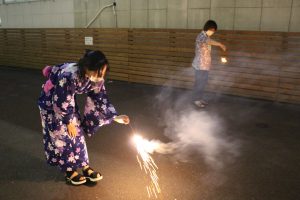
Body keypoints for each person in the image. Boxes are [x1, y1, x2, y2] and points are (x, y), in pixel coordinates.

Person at [38, 50, 130, 185]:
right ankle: (69, 171)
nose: (100, 76)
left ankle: (84, 165)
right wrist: (68, 121)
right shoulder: (69, 75)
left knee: (77, 132)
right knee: (62, 135)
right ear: (87, 67)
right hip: (51, 102)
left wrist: (115, 117)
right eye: (98, 72)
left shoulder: (96, 77)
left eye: (102, 73)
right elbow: (61, 100)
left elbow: (100, 98)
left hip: (67, 102)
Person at [192, 20, 226, 108]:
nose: (213, 32)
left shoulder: (206, 36)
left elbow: (209, 41)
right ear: (208, 28)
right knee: (199, 83)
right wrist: (220, 44)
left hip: (205, 66)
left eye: (214, 31)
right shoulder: (201, 36)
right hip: (199, 65)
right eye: (212, 30)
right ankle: (196, 99)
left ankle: (199, 98)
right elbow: (208, 41)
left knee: (203, 83)